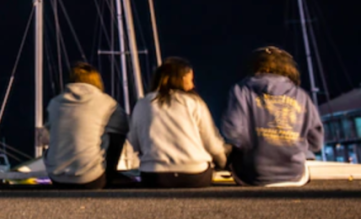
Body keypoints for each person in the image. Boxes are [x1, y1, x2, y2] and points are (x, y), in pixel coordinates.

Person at [220, 46, 324, 187]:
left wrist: (252, 148)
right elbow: (316, 142)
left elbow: (232, 132)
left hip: (255, 175)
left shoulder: (241, 90)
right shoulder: (302, 95)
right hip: (295, 174)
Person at [128, 57, 228, 188]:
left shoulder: (143, 103)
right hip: (193, 174)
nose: (193, 86)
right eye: (190, 80)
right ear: (179, 80)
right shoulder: (194, 102)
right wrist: (224, 162)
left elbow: (133, 143)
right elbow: (211, 143)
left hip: (154, 175)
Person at [44, 62, 129, 189]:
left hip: (56, 177)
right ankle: (111, 174)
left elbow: (47, 135)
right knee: (116, 134)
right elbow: (124, 128)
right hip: (91, 179)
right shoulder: (108, 103)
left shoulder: (54, 103)